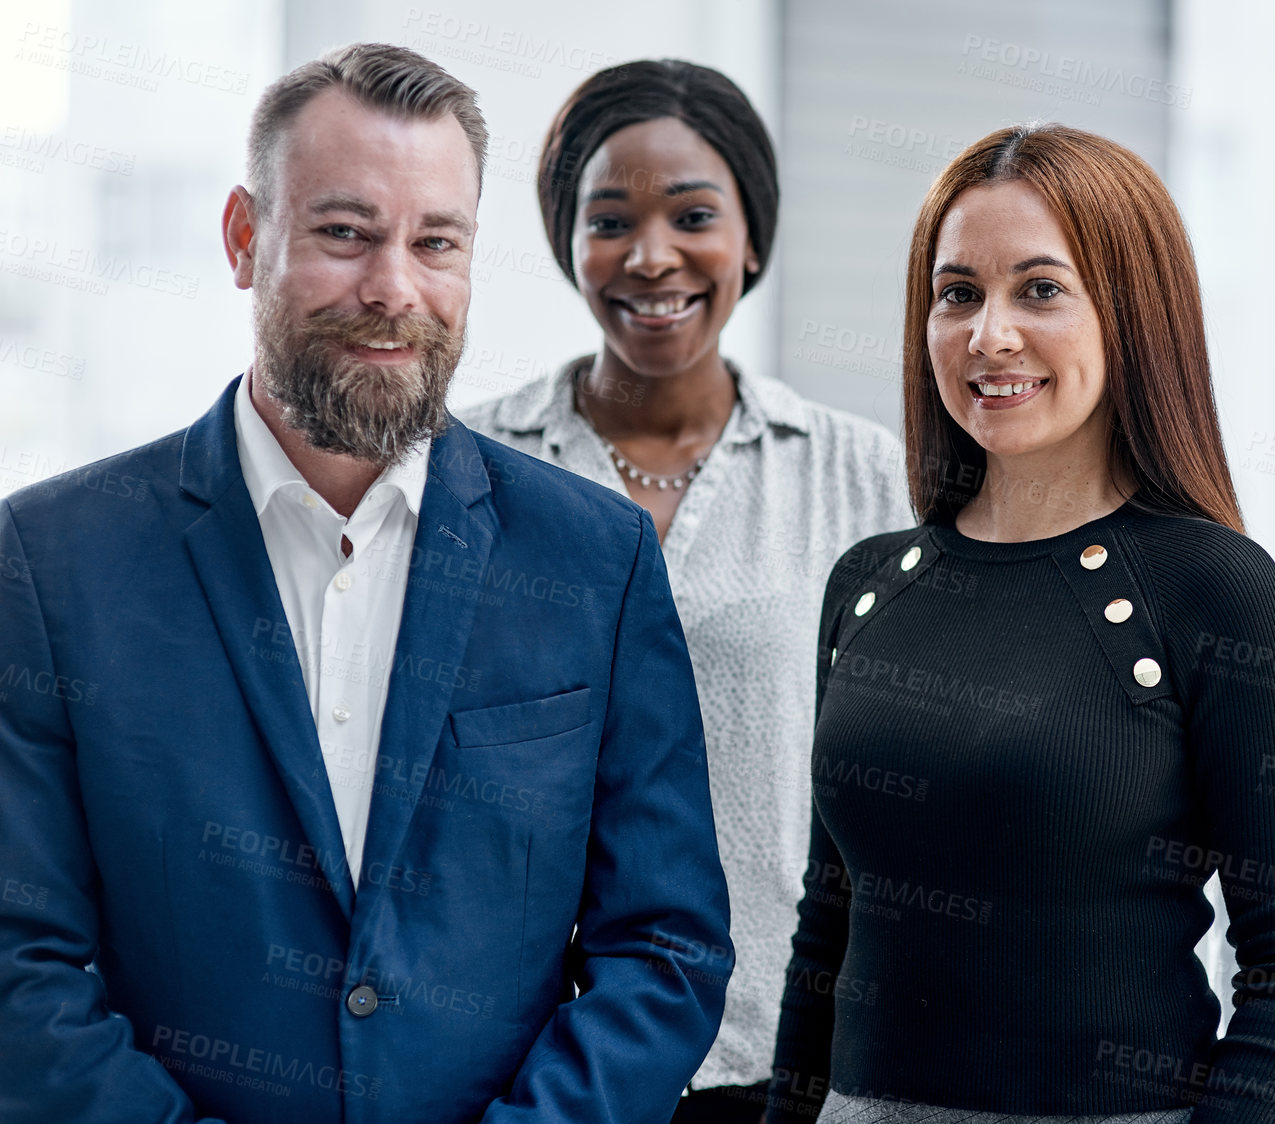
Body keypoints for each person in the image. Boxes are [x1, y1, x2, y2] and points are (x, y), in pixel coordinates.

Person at [0, 44, 730, 1124]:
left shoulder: (596, 559)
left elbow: (663, 947)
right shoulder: (50, 560)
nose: (394, 287)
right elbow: (22, 965)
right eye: (346, 234)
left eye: (436, 241)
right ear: (246, 239)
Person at [768, 123, 1275, 1124]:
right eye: (958, 293)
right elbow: (828, 931)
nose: (989, 334)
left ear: (1133, 315)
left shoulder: (1213, 586)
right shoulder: (868, 582)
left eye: (1040, 289)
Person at [459, 60, 908, 1124]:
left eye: (694, 215)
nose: (651, 255)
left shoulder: (859, 473)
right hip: (532, 1065)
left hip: (790, 1056)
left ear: (752, 237)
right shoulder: (468, 464)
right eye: (608, 219)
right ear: (568, 241)